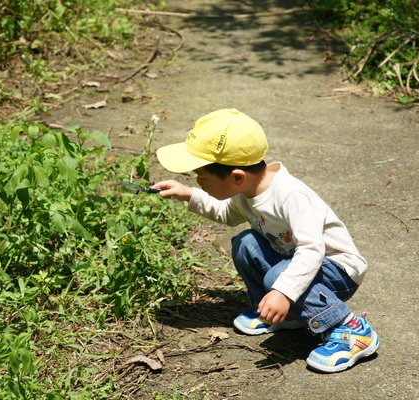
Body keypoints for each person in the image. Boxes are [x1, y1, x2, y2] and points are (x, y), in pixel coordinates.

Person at [152, 108, 379, 373]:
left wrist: (283, 291)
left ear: (237, 177)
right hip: (296, 263)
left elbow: (312, 250)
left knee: (278, 278)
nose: (200, 182)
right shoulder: (247, 190)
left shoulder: (290, 195)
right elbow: (226, 213)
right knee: (246, 243)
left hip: (337, 270)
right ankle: (283, 313)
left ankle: (349, 329)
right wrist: (189, 194)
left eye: (202, 178)